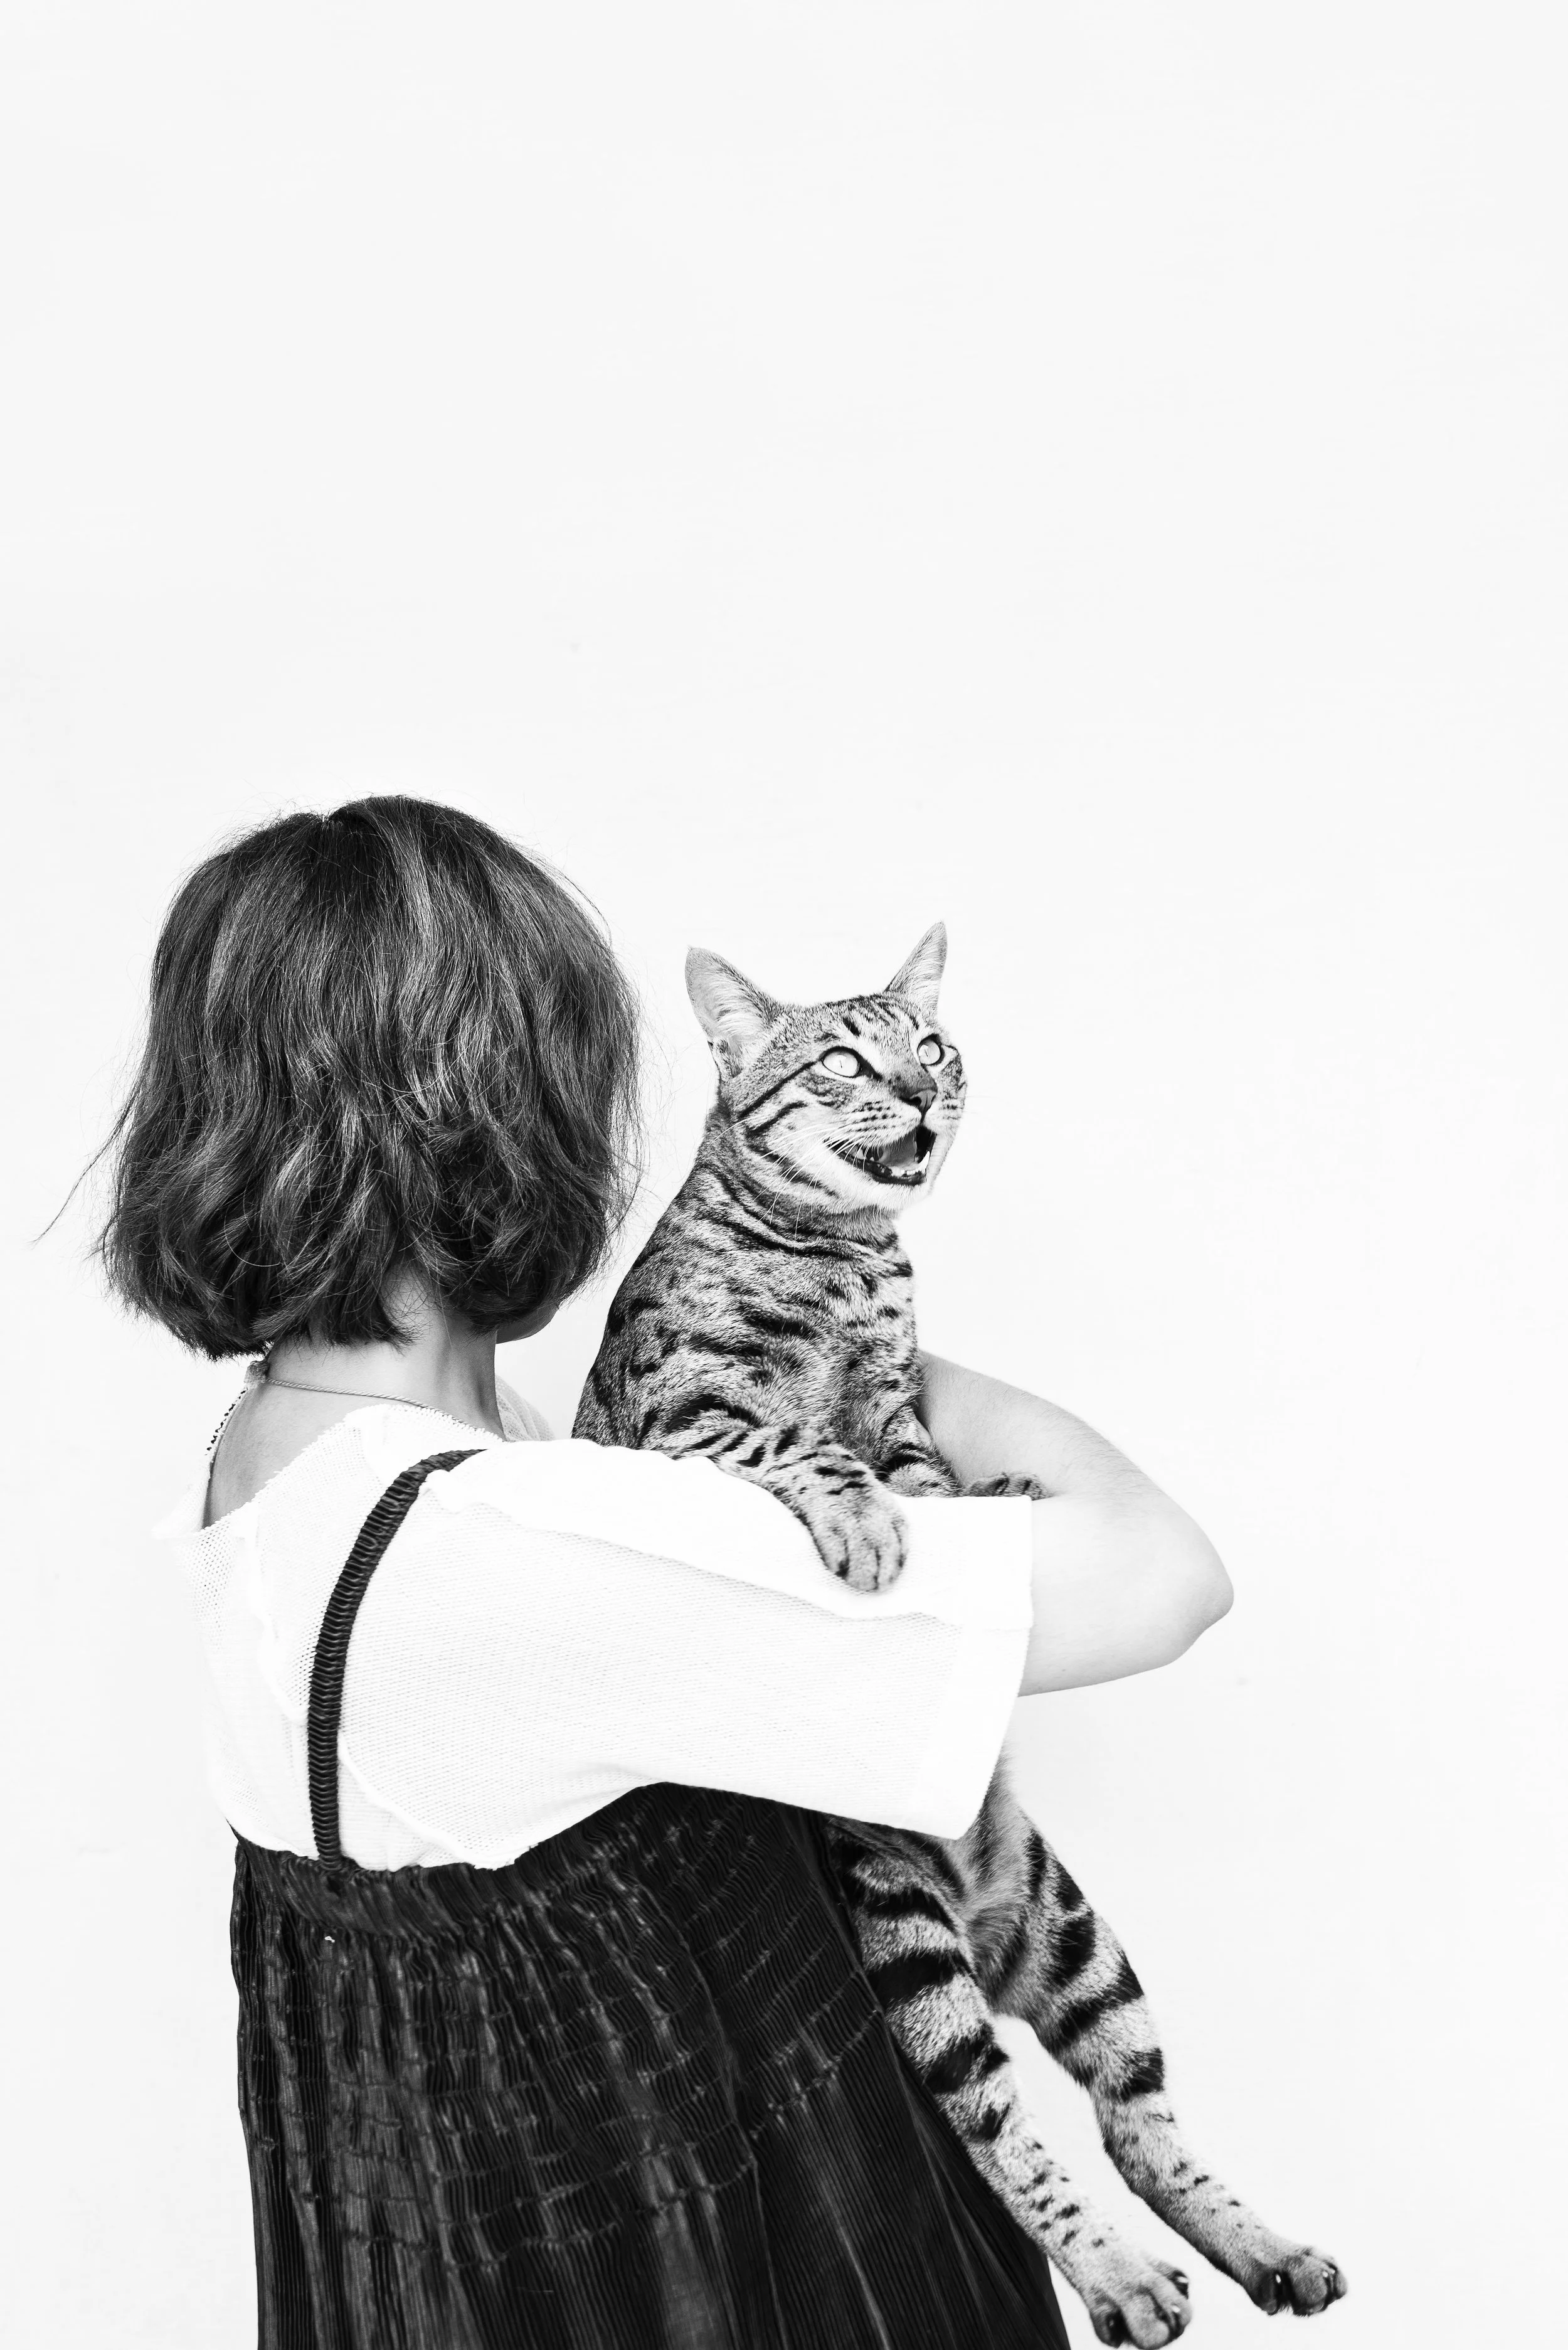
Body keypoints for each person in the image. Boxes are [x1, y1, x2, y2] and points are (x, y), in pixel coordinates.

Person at [102, 797, 1232, 2350]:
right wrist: (833, 1308)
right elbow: (1163, 1574)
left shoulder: (280, 1479)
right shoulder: (543, 1551)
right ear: (497, 1112)